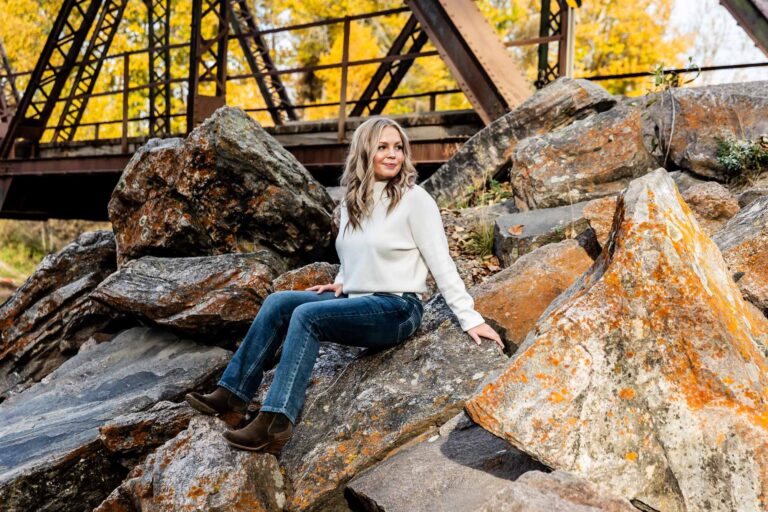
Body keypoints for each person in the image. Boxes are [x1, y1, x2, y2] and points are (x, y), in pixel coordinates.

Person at [185, 117, 503, 454]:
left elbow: (442, 263)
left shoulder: (415, 199)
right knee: (279, 302)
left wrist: (470, 318)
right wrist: (342, 282)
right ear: (365, 152)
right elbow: (354, 251)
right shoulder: (354, 201)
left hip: (398, 308)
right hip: (361, 301)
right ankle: (233, 395)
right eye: (383, 147)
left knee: (308, 317)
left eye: (398, 148)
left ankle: (276, 422)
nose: (393, 154)